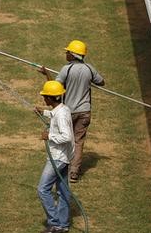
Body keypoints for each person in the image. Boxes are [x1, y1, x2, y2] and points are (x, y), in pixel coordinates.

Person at [38, 39, 104, 183]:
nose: (66, 54)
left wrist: (46, 73)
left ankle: (63, 166)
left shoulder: (66, 69)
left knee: (66, 138)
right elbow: (101, 82)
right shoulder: (89, 69)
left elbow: (55, 87)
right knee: (78, 141)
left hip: (69, 111)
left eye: (68, 52)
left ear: (74, 55)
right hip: (85, 111)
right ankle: (74, 172)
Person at [35, 80, 74, 233]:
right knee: (63, 191)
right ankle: (63, 225)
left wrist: (49, 136)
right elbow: (54, 115)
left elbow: (67, 136)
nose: (44, 99)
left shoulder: (62, 114)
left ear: (51, 98)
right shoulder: (62, 109)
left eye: (45, 97)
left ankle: (55, 223)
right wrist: (43, 112)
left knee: (42, 189)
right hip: (64, 157)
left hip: (57, 158)